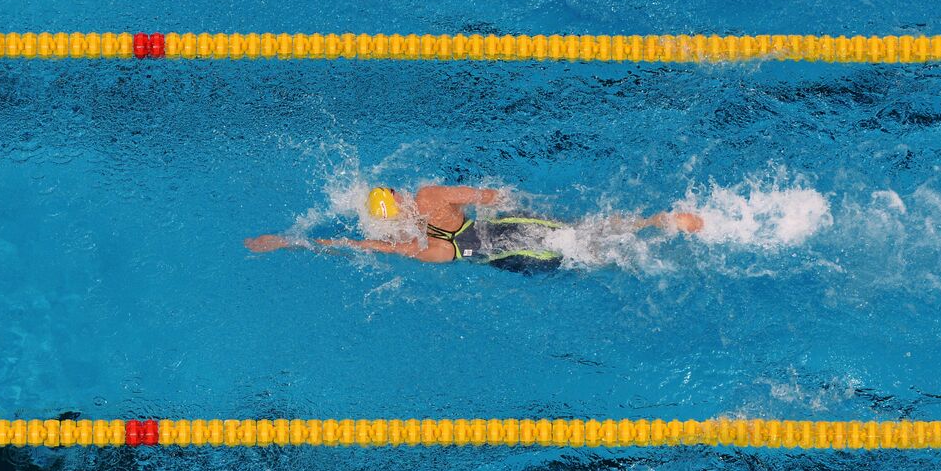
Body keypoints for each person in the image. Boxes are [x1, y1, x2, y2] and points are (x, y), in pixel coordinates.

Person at [244, 185, 705, 273]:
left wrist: (291, 241)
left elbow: (357, 246)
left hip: (514, 262)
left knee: (583, 256)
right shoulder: (429, 196)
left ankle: (646, 244)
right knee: (584, 230)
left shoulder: (425, 249)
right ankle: (655, 223)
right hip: (511, 229)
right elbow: (492, 197)